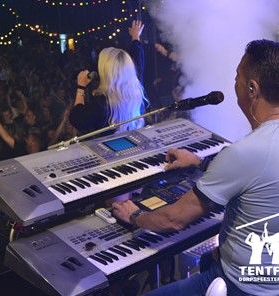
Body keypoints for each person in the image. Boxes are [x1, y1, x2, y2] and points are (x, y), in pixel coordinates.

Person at [111, 39, 279, 296]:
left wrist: (135, 215)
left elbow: (173, 220)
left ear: (252, 88)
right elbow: (259, 175)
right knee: (208, 258)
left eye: (237, 76)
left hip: (243, 287)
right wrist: (199, 162)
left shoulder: (246, 152)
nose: (234, 83)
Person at [69, 20, 146, 135]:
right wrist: (135, 37)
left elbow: (77, 120)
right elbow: (138, 58)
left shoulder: (102, 103)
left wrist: (81, 87)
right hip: (134, 138)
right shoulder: (136, 87)